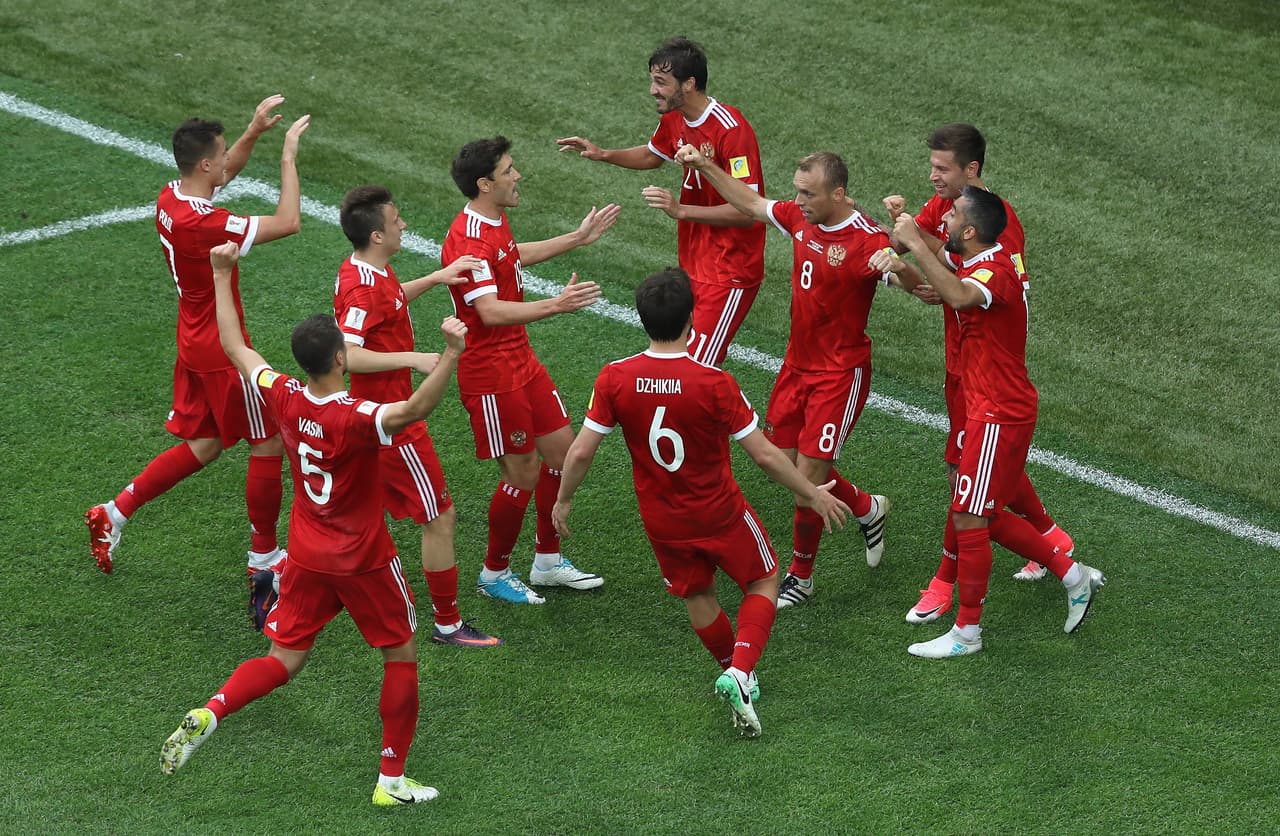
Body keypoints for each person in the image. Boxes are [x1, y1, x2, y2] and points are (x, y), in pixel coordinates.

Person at [160, 242, 465, 804]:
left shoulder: (283, 395)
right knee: (399, 653)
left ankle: (212, 710)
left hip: (305, 553)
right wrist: (449, 353)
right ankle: (390, 781)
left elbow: (235, 345)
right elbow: (414, 410)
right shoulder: (357, 416)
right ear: (342, 359)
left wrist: (223, 274)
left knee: (284, 658)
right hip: (364, 559)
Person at [552, 267, 851, 737]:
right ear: (693, 317)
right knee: (764, 577)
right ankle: (741, 670)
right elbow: (765, 455)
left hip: (662, 518)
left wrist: (564, 501)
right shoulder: (714, 382)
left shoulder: (614, 378)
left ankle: (735, 668)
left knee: (697, 593)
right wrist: (810, 492)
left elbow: (582, 450)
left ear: (642, 319)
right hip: (719, 511)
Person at [85, 95, 308, 626]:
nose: (229, 160)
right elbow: (289, 221)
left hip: (193, 334)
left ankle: (112, 513)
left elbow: (222, 175)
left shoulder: (172, 196)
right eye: (223, 152)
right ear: (204, 163)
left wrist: (254, 130)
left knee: (205, 445)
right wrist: (288, 158)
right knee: (269, 439)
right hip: (221, 346)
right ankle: (263, 558)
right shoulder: (203, 225)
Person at [871, 188, 1104, 658]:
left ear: (970, 231)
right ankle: (1071, 574)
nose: (945, 220)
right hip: (984, 407)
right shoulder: (977, 263)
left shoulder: (995, 271)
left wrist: (915, 241)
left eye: (952, 216)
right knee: (982, 516)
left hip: (1000, 411)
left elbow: (956, 295)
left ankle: (967, 633)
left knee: (971, 515)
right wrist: (899, 269)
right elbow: (936, 290)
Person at [675, 145, 891, 609]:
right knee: (788, 468)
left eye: (809, 194)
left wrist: (902, 265)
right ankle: (867, 507)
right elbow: (752, 203)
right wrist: (704, 165)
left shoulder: (867, 240)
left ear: (839, 194)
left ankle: (801, 576)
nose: (800, 201)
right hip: (796, 366)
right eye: (797, 192)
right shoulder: (799, 218)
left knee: (808, 479)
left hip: (839, 373)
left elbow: (918, 287)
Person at [881, 123, 1076, 625]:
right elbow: (927, 253)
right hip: (964, 362)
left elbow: (975, 287)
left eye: (942, 169)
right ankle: (1056, 547)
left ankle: (951, 589)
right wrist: (901, 244)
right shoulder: (952, 210)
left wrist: (929, 266)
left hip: (986, 379)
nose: (933, 179)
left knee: (968, 488)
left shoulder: (994, 226)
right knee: (979, 483)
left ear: (971, 171)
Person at [441, 136, 620, 605]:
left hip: (522, 362)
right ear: (485, 184)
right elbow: (490, 311)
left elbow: (513, 257)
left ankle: (546, 561)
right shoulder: (468, 239)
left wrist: (576, 239)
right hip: (492, 376)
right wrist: (556, 305)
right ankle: (493, 572)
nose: (517, 176)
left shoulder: (494, 223)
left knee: (564, 454)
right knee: (522, 475)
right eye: (508, 170)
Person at [334, 185, 500, 647]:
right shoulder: (363, 286)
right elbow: (347, 354)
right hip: (394, 423)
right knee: (439, 516)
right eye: (396, 221)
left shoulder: (366, 269)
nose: (403, 225)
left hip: (372, 417)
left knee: (355, 516)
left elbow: (390, 300)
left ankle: (295, 577)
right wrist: (414, 358)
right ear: (376, 234)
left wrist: (437, 276)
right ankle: (447, 624)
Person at [556, 36, 764, 367]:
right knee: (678, 361)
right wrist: (603, 154)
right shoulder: (674, 117)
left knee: (694, 368)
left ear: (689, 84)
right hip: (694, 261)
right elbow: (654, 155)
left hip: (729, 269)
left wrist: (680, 210)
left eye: (661, 82)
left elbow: (750, 212)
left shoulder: (730, 130)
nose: (653, 90)